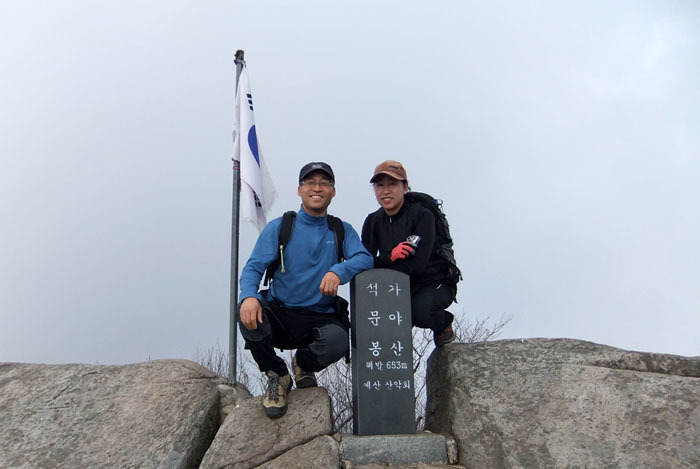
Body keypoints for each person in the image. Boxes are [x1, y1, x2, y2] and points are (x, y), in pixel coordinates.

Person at [239, 162, 373, 418]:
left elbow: (365, 258)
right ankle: (277, 374)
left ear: (333, 192)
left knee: (338, 341)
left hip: (319, 317)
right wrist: (248, 297)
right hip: (280, 312)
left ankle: (303, 364)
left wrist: (338, 271)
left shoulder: (341, 230)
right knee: (246, 311)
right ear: (299, 190)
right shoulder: (280, 227)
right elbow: (253, 268)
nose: (317, 188)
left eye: (324, 183)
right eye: (310, 183)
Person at [361, 160, 457, 348]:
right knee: (379, 321)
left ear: (405, 188)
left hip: (434, 281)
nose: (386, 191)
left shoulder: (422, 215)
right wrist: (389, 257)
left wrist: (382, 264)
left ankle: (444, 323)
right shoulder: (373, 221)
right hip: (395, 285)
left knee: (418, 312)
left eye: (392, 184)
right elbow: (364, 262)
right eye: (380, 185)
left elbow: (417, 265)